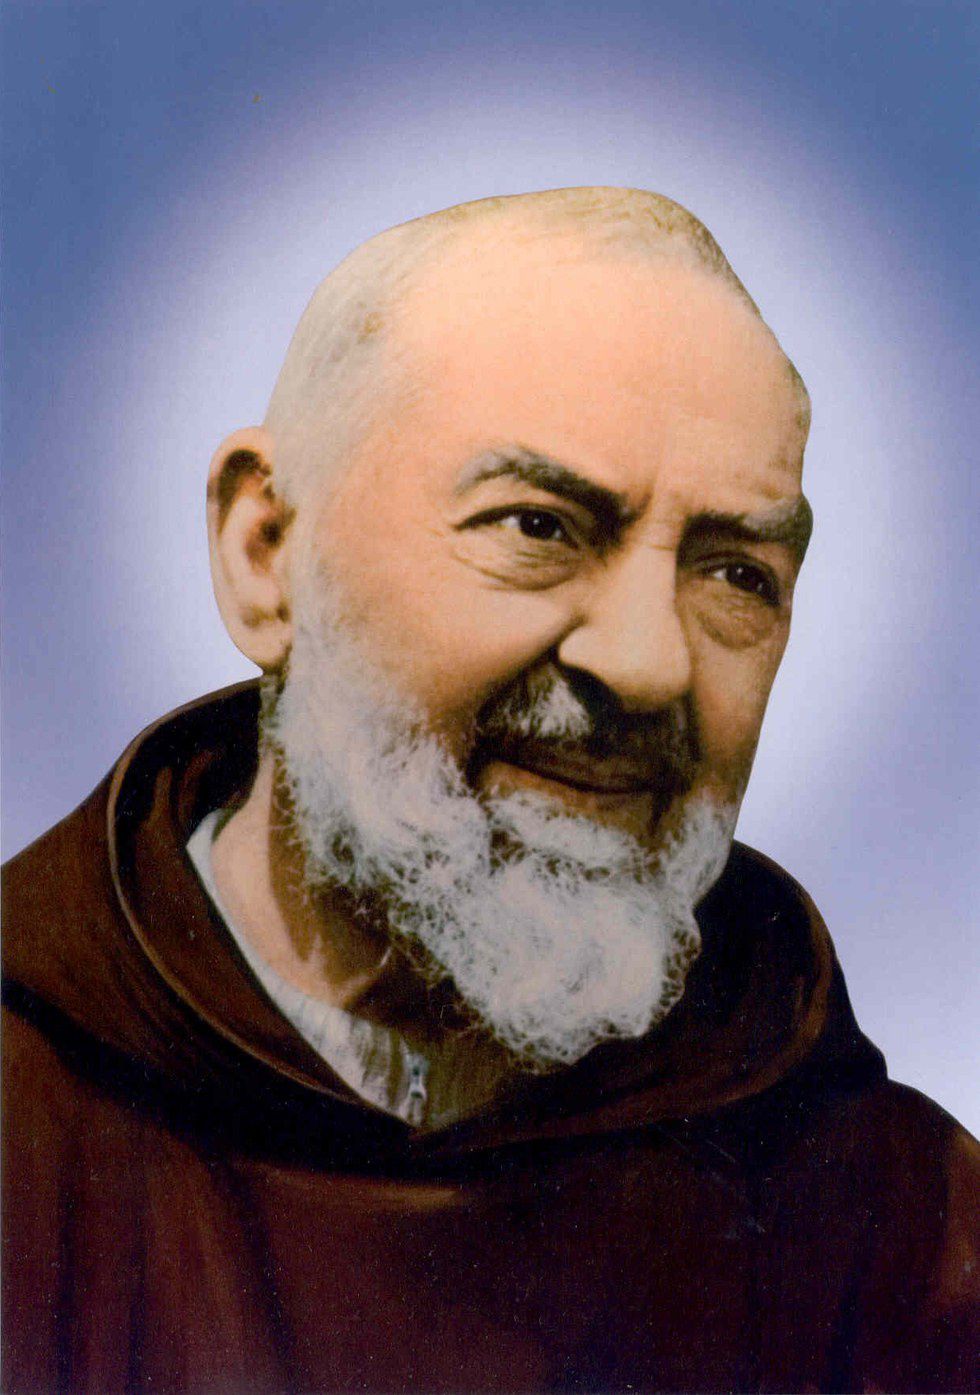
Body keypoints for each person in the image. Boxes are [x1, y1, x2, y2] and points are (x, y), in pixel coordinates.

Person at [3, 187, 977, 1394]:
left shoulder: (901, 1225)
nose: (647, 663)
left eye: (735, 572)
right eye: (537, 526)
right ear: (267, 552)